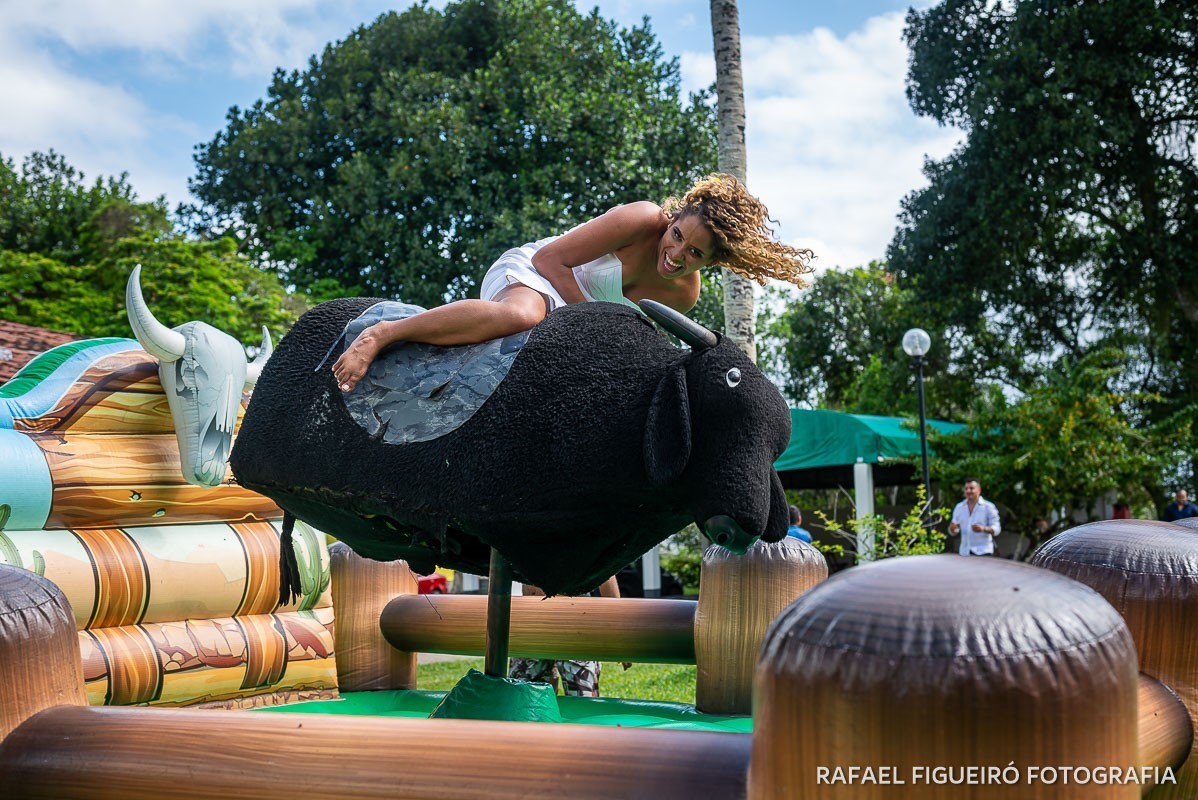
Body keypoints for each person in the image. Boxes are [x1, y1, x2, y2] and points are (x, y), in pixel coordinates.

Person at [331, 174, 813, 392]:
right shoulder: (641, 218)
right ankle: (385, 333)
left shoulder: (683, 295)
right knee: (524, 315)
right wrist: (595, 321)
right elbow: (550, 258)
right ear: (673, 218)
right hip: (537, 278)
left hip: (580, 331)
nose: (676, 255)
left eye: (695, 254)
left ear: (713, 260)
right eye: (678, 236)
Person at [507, 576, 629, 697]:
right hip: (534, 619)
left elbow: (606, 572)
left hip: (575, 620)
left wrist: (620, 632)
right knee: (522, 700)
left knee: (582, 702)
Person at [948, 478, 1001, 556]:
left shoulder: (988, 507)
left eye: (971, 488)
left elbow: (997, 529)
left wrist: (983, 529)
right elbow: (954, 531)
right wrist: (952, 528)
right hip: (964, 552)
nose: (968, 491)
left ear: (979, 490)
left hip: (983, 552)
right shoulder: (959, 507)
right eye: (966, 489)